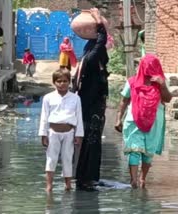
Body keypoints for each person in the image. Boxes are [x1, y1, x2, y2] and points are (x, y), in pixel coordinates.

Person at [115, 54, 172, 188]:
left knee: (148, 152)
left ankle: (142, 178)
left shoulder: (161, 82)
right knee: (134, 150)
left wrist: (162, 85)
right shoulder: (132, 82)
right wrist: (118, 119)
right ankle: (134, 180)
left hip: (153, 122)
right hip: (134, 120)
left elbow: (168, 99)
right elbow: (124, 100)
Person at [72, 8, 109, 191]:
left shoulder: (87, 57)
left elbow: (99, 43)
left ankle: (87, 176)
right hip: (91, 104)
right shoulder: (92, 59)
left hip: (89, 103)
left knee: (90, 141)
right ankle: (87, 178)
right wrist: (97, 19)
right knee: (91, 141)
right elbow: (101, 40)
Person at [38, 69, 84, 192]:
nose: (62, 84)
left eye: (65, 81)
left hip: (69, 132)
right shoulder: (48, 98)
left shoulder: (75, 98)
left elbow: (79, 117)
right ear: (54, 82)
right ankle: (49, 185)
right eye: (59, 81)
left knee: (67, 158)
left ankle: (68, 185)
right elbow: (44, 116)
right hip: (53, 132)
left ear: (69, 82)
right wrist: (43, 134)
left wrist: (79, 134)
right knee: (51, 158)